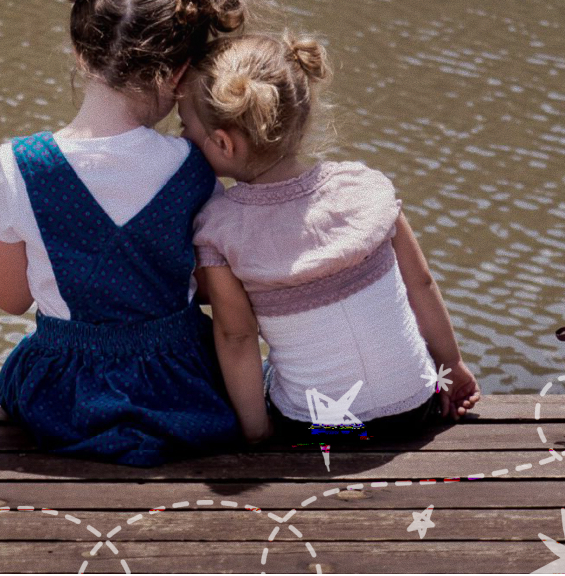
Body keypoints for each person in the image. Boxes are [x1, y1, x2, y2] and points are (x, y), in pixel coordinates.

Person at [0, 0, 257, 467]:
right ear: (177, 74)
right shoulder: (194, 167)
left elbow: (10, 299)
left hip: (65, 397)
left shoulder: (19, 163)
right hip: (181, 389)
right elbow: (204, 284)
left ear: (81, 53)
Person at [178, 33, 482, 443]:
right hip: (415, 404)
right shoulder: (364, 186)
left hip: (316, 426)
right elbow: (421, 283)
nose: (181, 139)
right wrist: (453, 367)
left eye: (185, 127)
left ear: (223, 143)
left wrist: (256, 430)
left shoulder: (219, 229)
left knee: (256, 375)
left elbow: (237, 337)